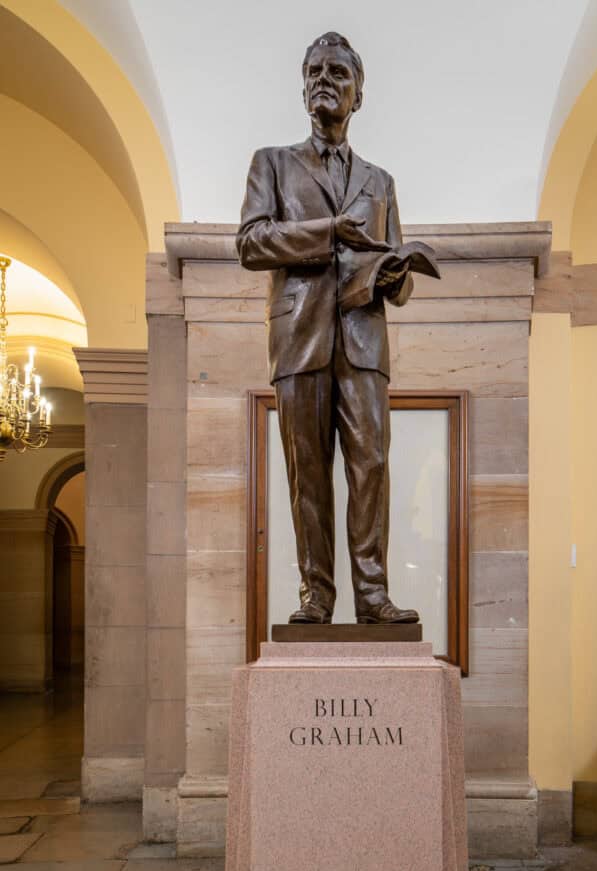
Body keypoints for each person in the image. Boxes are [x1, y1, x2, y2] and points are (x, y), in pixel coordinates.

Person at [237, 31, 419, 625]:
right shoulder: (273, 162)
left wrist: (397, 276)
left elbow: (395, 267)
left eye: (339, 72)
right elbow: (251, 241)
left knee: (371, 467)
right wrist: (328, 233)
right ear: (303, 87)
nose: (325, 79)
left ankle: (373, 594)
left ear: (358, 95)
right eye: (315, 70)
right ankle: (317, 595)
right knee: (307, 471)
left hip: (364, 341)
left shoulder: (381, 180)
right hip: (300, 339)